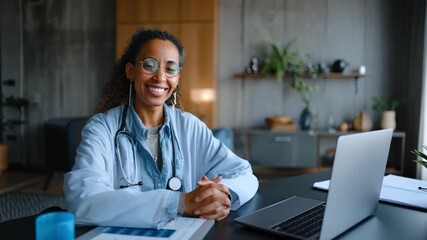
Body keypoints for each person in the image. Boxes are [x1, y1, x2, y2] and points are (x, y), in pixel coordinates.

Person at [63, 28, 258, 229]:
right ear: (131, 71)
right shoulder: (101, 128)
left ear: (178, 77)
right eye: (149, 65)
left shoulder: (189, 126)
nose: (160, 77)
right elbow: (81, 201)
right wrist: (178, 203)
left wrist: (220, 195)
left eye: (170, 69)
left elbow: (243, 173)